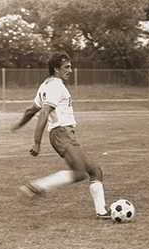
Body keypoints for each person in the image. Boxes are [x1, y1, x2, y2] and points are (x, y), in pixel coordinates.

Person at [10, 52, 110, 219]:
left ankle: (102, 212)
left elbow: (31, 110)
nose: (70, 70)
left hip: (64, 134)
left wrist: (19, 124)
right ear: (56, 69)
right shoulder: (56, 87)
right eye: (67, 67)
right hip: (61, 133)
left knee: (95, 171)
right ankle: (36, 186)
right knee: (79, 173)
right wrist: (36, 142)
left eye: (70, 66)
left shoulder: (45, 85)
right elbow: (43, 113)